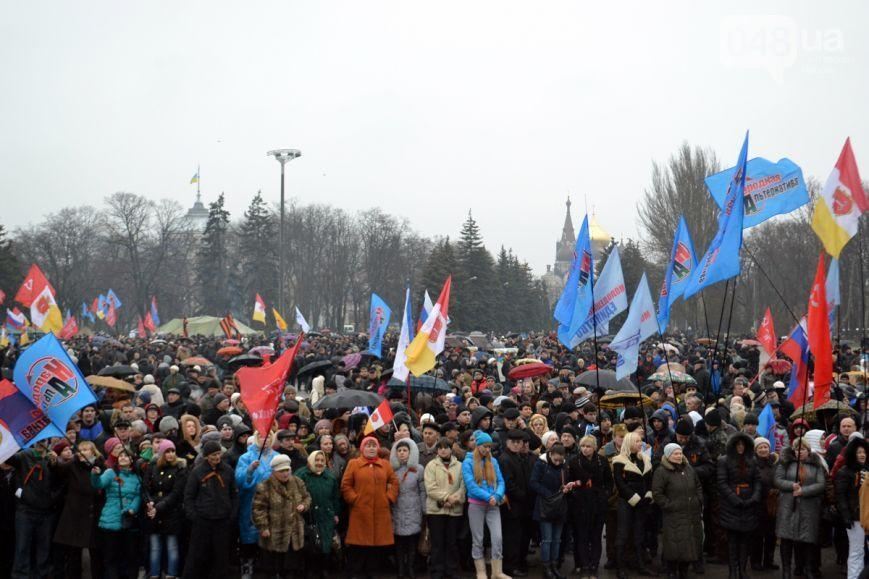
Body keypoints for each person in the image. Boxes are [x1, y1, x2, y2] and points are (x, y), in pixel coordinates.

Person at [341, 436, 399, 578]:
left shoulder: (385, 464)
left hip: (380, 512)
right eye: (368, 445)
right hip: (360, 512)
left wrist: (389, 498)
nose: (371, 448)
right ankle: (355, 573)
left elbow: (394, 482)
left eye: (374, 446)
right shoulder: (354, 464)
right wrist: (354, 499)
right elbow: (345, 485)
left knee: (376, 546)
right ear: (362, 448)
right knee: (358, 546)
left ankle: (372, 572)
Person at [183, 440, 238, 579]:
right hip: (203, 521)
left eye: (218, 454)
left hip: (222, 520)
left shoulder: (227, 470)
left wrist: (232, 514)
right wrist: (194, 516)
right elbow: (189, 497)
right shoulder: (197, 472)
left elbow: (234, 494)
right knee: (199, 556)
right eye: (213, 455)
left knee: (221, 556)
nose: (217, 457)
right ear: (207, 456)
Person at [251, 454, 311, 578]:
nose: (285, 473)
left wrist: (304, 505)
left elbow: (307, 497)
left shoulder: (297, 482)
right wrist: (263, 527)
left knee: (292, 568)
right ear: (274, 471)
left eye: (287, 470)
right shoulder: (265, 486)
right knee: (273, 568)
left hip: (294, 533)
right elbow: (258, 509)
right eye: (281, 471)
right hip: (275, 533)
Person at [775, 436, 827, 579]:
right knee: (786, 538)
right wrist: (791, 485)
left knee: (808, 538)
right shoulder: (785, 463)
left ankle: (809, 569)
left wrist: (803, 491)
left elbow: (821, 484)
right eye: (797, 449)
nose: (799, 452)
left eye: (803, 449)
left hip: (809, 507)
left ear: (808, 450)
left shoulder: (816, 465)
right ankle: (786, 571)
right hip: (788, 506)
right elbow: (778, 480)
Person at [6, 440, 59, 579]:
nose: (40, 443)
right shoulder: (25, 455)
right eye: (38, 441)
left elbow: (61, 481)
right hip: (25, 511)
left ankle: (42, 575)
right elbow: (8, 457)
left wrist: (56, 465)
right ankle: (20, 576)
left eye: (43, 441)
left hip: (47, 512)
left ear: (48, 442)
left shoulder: (53, 458)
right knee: (22, 548)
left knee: (44, 550)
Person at [53, 440, 104, 579]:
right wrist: (52, 460)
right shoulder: (73, 465)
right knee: (73, 554)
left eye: (86, 449)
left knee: (96, 554)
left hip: (94, 515)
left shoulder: (101, 466)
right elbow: (58, 468)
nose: (82, 452)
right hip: (75, 515)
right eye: (80, 449)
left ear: (93, 452)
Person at [652, 443, 703, 579]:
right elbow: (657, 493)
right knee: (673, 545)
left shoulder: (688, 468)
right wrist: (670, 506)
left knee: (689, 544)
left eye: (680, 453)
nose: (679, 456)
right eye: (675, 453)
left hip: (691, 513)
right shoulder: (661, 471)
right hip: (673, 514)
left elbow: (698, 485)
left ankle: (684, 571)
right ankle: (671, 571)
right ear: (668, 455)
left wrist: (698, 500)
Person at [462, 430, 509, 579]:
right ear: (478, 445)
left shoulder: (493, 461)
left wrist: (497, 495)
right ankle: (481, 572)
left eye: (489, 447)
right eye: (485, 446)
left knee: (497, 537)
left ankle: (497, 571)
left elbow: (501, 481)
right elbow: (471, 485)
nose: (487, 449)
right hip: (476, 505)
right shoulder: (468, 462)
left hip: (493, 505)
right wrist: (489, 497)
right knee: (478, 539)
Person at [90, 448, 142, 579]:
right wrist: (95, 475)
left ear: (131, 460)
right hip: (111, 519)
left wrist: (132, 509)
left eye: (126, 456)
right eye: (121, 456)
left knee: (130, 557)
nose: (123, 457)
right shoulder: (110, 473)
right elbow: (99, 485)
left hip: (128, 520)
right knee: (111, 558)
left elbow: (138, 496)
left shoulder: (137, 477)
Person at [717, 431, 761, 579]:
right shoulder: (724, 460)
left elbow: (757, 481)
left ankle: (742, 569)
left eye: (743, 444)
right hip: (731, 505)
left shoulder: (752, 460)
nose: (740, 447)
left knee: (745, 540)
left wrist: (754, 497)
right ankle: (733, 571)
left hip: (749, 504)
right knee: (732, 541)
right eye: (738, 444)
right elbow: (722, 483)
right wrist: (734, 499)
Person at [567, 434, 611, 579]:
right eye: (583, 446)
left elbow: (608, 482)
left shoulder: (602, 461)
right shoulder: (574, 462)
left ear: (594, 447)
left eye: (588, 446)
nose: (585, 449)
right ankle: (584, 564)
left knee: (596, 536)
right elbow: (569, 481)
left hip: (598, 504)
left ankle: (594, 565)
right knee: (582, 536)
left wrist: (605, 495)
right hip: (580, 504)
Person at [236, 432, 279, 579]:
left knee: (271, 537)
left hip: (272, 504)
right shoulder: (246, 457)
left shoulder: (277, 456)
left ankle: (270, 570)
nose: (265, 440)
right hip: (251, 503)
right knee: (249, 536)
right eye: (261, 436)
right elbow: (239, 480)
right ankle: (247, 568)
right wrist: (249, 471)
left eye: (268, 437)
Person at [142, 439, 187, 579]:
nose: (170, 454)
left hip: (171, 513)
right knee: (155, 547)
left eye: (172, 451)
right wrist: (148, 502)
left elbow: (176, 493)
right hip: (153, 514)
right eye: (167, 451)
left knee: (172, 547)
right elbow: (145, 488)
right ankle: (154, 574)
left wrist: (157, 507)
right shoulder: (152, 467)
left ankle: (171, 574)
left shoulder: (180, 469)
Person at [611, 431, 653, 578]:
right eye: (637, 441)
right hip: (626, 502)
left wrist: (648, 495)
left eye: (640, 440)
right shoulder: (619, 460)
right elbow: (620, 483)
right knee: (622, 534)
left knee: (639, 534)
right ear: (629, 443)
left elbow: (649, 481)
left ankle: (641, 565)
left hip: (643, 502)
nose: (640, 443)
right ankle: (620, 568)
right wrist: (634, 498)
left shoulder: (646, 459)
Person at [295, 450, 342, 579]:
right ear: (310, 460)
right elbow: (295, 493)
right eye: (317, 460)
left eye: (322, 460)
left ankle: (324, 569)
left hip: (326, 515)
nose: (320, 463)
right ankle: (310, 570)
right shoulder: (301, 474)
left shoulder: (330, 476)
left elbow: (335, 497)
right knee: (311, 544)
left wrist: (336, 514)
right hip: (308, 515)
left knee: (326, 543)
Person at [424, 437, 466, 579]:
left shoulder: (460, 466)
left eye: (446, 447)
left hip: (454, 510)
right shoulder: (431, 465)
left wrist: (454, 499)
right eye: (440, 447)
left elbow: (463, 486)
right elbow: (430, 488)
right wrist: (446, 498)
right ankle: (437, 570)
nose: (443, 450)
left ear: (451, 449)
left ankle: (452, 569)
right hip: (436, 510)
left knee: (452, 542)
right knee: (437, 542)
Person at [530, 443, 569, 579]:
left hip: (559, 506)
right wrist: (548, 494)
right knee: (547, 539)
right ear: (550, 455)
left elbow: (566, 482)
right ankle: (546, 567)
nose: (558, 463)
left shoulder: (564, 465)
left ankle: (554, 565)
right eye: (555, 460)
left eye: (560, 460)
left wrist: (566, 488)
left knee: (557, 539)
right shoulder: (541, 464)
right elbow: (533, 482)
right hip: (545, 505)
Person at [390, 438, 427, 579]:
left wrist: (424, 509)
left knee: (412, 541)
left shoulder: (418, 469)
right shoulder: (392, 470)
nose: (402, 453)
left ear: (410, 452)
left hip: (413, 507)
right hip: (397, 507)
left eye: (405, 450)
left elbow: (422, 491)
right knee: (399, 542)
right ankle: (400, 569)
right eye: (399, 450)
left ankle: (410, 568)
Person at [834, 437, 869, 579]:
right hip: (855, 518)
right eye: (858, 452)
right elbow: (840, 496)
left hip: (867, 515)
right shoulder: (845, 471)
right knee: (856, 551)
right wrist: (846, 516)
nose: (862, 454)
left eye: (864, 452)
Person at [500, 429, 533, 577]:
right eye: (513, 442)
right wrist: (523, 495)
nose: (516, 445)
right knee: (511, 537)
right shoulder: (505, 458)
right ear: (507, 442)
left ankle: (517, 563)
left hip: (522, 505)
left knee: (520, 536)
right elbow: (509, 484)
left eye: (519, 442)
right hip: (512, 505)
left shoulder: (517, 457)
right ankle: (509, 566)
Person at [750, 437, 779, 572]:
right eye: (760, 447)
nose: (763, 449)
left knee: (771, 534)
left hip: (772, 504)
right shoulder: (752, 464)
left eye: (765, 447)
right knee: (757, 535)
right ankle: (755, 561)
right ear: (756, 450)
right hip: (758, 504)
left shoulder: (774, 463)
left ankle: (769, 560)